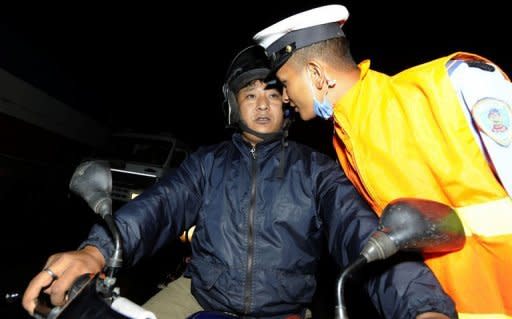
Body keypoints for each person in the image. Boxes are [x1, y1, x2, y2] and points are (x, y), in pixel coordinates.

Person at [22, 45, 456, 319]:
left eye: (272, 94)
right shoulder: (206, 163)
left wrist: (421, 308)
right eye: (250, 95)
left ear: (287, 103)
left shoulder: (318, 169)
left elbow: (360, 231)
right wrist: (95, 251)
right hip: (198, 298)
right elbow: (158, 207)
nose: (263, 105)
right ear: (233, 105)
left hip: (283, 312)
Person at [253, 4, 512, 319]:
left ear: (316, 74)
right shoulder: (344, 143)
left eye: (284, 83)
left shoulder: (452, 84)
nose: (284, 97)